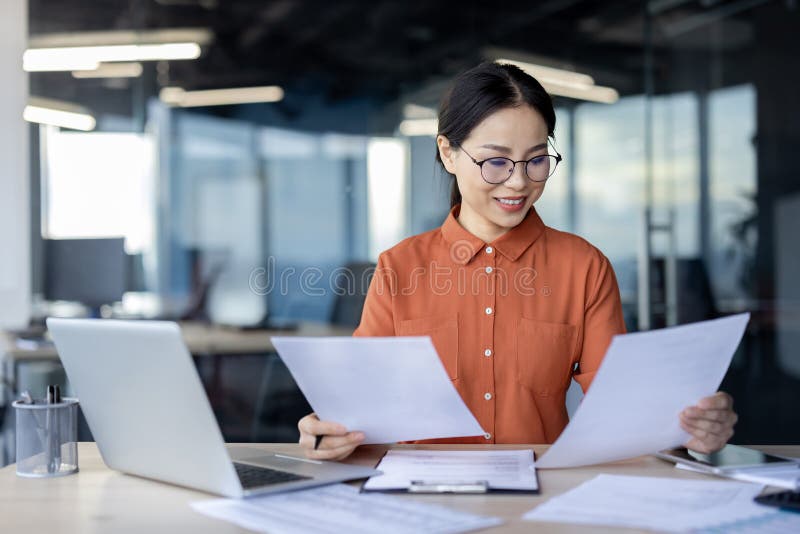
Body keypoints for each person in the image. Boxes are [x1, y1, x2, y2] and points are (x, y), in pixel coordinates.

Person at [298, 62, 737, 461]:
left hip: (544, 491)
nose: (519, 181)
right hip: (422, 494)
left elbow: (622, 409)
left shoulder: (583, 267)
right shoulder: (399, 268)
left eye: (536, 160)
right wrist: (327, 432)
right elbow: (359, 411)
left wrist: (690, 428)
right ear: (449, 153)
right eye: (495, 161)